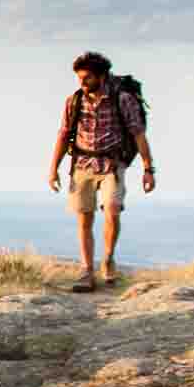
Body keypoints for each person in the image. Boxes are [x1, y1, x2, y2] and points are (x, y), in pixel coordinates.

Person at [47, 51, 154, 292]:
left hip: (111, 165)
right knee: (84, 218)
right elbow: (63, 135)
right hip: (82, 165)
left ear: (102, 76)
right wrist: (53, 169)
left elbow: (138, 134)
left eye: (87, 78)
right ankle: (86, 271)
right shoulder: (74, 101)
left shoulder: (123, 99)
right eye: (79, 78)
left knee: (113, 211)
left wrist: (148, 169)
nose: (82, 83)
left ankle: (107, 259)